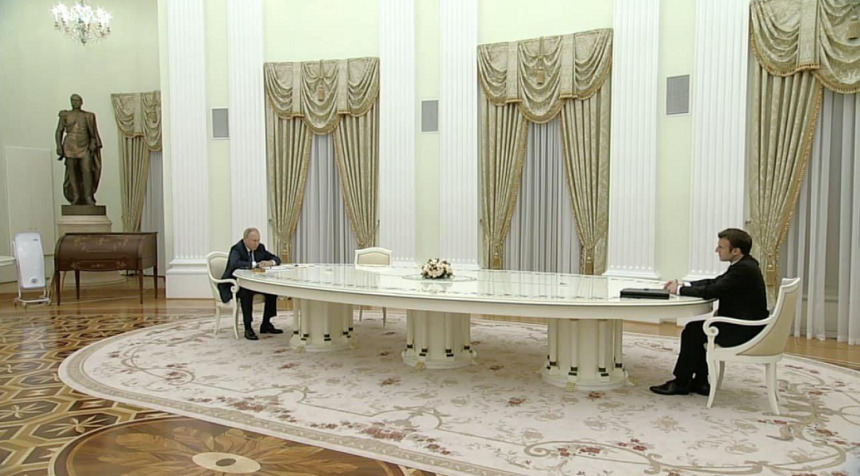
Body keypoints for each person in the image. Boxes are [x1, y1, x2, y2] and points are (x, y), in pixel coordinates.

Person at [650, 228, 769, 396]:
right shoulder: (745, 264)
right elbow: (715, 282)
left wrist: (679, 290)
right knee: (697, 330)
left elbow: (712, 291)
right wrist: (685, 285)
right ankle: (700, 383)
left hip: (742, 330)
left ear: (735, 251)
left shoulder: (743, 270)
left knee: (693, 331)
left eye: (721, 247)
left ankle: (681, 382)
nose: (716, 250)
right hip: (745, 325)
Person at [219, 228, 283, 340]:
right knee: (246, 292)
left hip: (254, 282)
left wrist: (270, 262)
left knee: (272, 289)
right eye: (254, 241)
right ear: (245, 240)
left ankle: (266, 323)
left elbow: (276, 259)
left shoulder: (260, 248)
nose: (256, 243)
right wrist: (255, 264)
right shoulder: (237, 249)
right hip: (235, 284)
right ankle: (248, 327)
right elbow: (234, 264)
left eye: (258, 240)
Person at [55, 94, 103, 206]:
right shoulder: (65, 115)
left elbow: (93, 133)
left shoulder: (88, 116)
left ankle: (88, 196)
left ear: (81, 102)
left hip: (84, 145)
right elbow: (59, 131)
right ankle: (75, 196)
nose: (75, 102)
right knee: (71, 172)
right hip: (70, 146)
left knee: (87, 170)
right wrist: (59, 146)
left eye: (77, 100)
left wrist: (93, 143)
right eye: (73, 100)